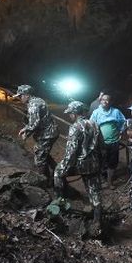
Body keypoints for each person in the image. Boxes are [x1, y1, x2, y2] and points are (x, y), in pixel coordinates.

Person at [55, 100, 103, 237]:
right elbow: (102, 146)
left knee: (57, 174)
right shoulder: (94, 124)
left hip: (80, 164)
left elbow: (71, 151)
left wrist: (64, 166)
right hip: (94, 163)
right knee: (94, 191)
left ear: (74, 113)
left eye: (70, 113)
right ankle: (97, 220)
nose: (69, 115)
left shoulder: (75, 127)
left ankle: (60, 206)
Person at [15, 84, 59, 184]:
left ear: (27, 95)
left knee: (39, 158)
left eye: (20, 96)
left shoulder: (33, 105)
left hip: (47, 134)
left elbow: (34, 123)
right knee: (43, 153)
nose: (19, 98)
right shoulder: (38, 100)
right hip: (49, 132)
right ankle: (57, 173)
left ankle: (44, 181)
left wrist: (25, 131)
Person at [90, 92, 125, 188]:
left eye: (107, 100)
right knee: (100, 161)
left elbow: (123, 121)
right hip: (101, 143)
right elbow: (91, 125)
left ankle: (110, 182)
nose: (105, 101)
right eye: (103, 99)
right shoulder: (96, 112)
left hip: (114, 142)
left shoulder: (116, 112)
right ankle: (100, 181)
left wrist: (121, 131)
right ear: (100, 101)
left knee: (112, 162)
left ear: (111, 102)